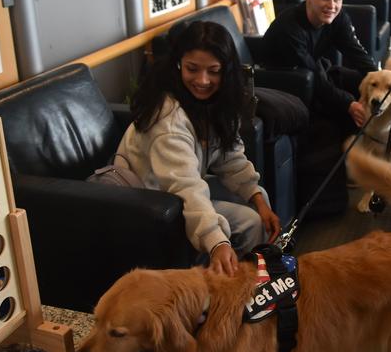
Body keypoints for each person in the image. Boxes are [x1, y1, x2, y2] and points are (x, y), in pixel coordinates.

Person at [116, 21, 281, 276]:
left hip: (174, 193)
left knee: (253, 215)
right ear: (178, 64)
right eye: (192, 69)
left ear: (226, 71)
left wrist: (259, 199)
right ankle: (232, 298)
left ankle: (244, 295)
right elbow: (185, 187)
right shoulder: (168, 120)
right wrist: (216, 242)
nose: (203, 80)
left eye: (213, 71)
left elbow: (231, 158)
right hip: (151, 204)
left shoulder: (214, 104)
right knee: (247, 225)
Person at [262, 0, 377, 132]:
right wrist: (348, 104)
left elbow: (357, 53)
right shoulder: (289, 28)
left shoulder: (338, 18)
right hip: (288, 83)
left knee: (364, 82)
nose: (332, 5)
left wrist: (381, 80)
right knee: (351, 113)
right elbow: (313, 75)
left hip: (315, 72)